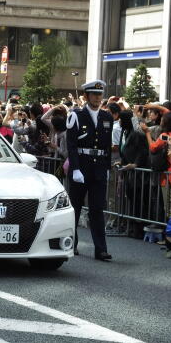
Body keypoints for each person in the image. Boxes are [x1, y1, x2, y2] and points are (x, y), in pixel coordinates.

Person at [66, 80, 113, 260]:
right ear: (86, 96)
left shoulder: (107, 117)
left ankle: (100, 249)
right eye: (94, 95)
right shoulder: (76, 115)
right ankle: (72, 242)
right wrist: (75, 168)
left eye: (100, 95)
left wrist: (106, 167)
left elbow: (107, 146)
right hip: (82, 165)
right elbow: (71, 145)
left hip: (99, 167)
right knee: (75, 208)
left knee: (97, 209)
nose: (97, 98)